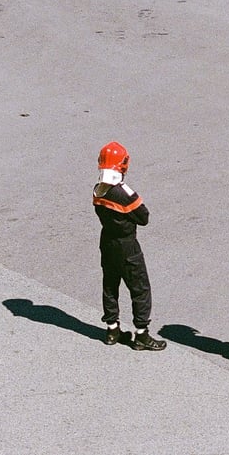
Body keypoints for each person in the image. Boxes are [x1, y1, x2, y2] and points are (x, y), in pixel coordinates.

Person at [93, 141, 166, 351]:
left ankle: (112, 329)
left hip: (106, 242)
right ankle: (141, 334)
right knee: (139, 288)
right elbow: (144, 217)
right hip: (127, 246)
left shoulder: (98, 189)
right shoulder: (123, 193)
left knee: (110, 284)